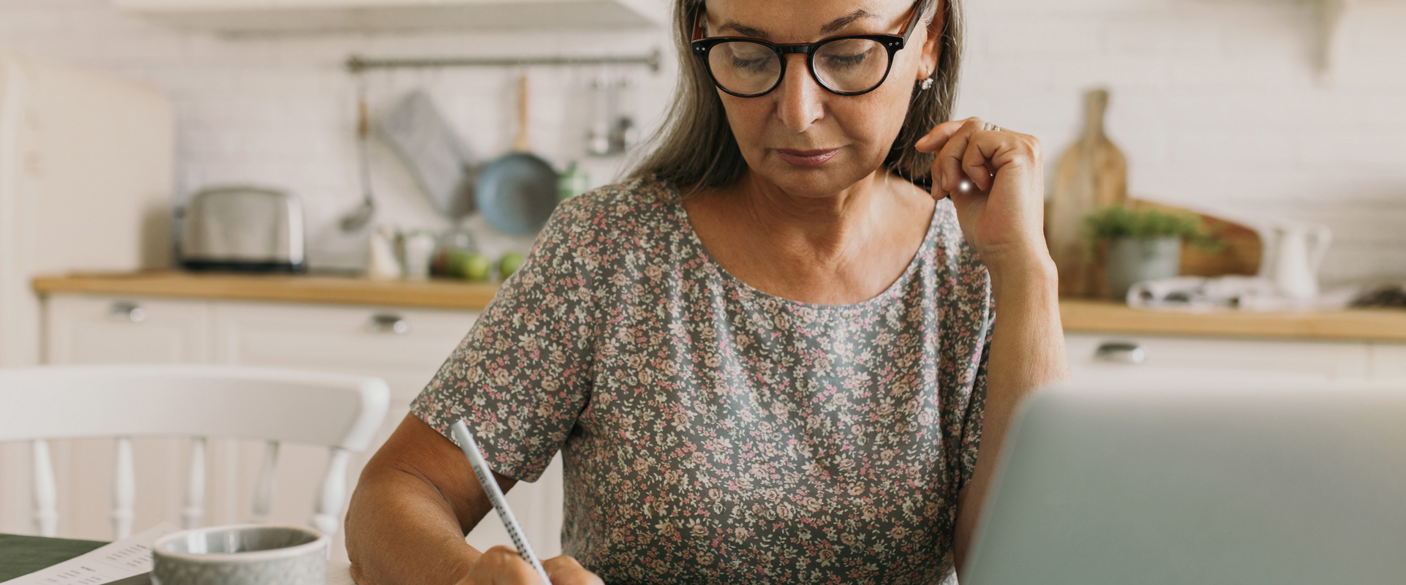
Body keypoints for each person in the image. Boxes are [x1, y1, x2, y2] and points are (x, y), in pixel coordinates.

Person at [345, 0, 1070, 582]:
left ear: (929, 35)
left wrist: (1028, 272)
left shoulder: (971, 270)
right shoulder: (609, 246)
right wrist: (468, 577)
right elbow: (393, 494)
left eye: (847, 55)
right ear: (702, 38)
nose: (796, 111)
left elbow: (1029, 566)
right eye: (750, 56)